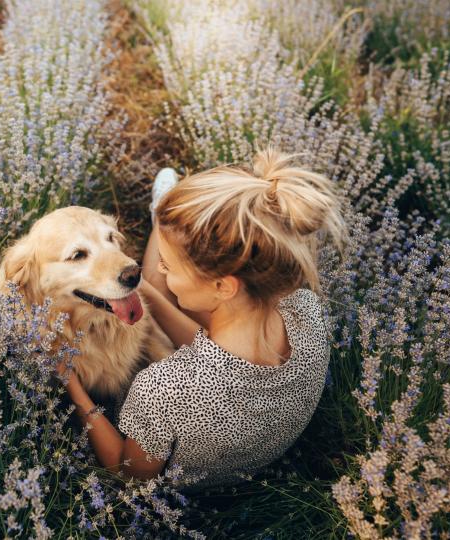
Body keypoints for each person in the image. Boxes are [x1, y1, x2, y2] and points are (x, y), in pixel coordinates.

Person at [56, 146, 348, 491]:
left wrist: (74, 390)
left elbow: (128, 473)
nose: (159, 270)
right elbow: (214, 354)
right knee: (159, 288)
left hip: (189, 485)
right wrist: (146, 288)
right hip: (258, 449)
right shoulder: (305, 309)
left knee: (161, 287)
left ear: (223, 286)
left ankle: (166, 227)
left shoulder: (161, 390)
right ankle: (177, 232)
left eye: (168, 265)